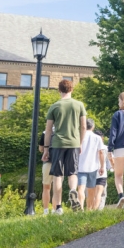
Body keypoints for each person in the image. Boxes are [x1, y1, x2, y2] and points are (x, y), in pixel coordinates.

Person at [42, 79, 88, 213]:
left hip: (57, 144)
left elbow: (49, 129)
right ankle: (73, 190)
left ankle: (58, 207)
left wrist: (46, 149)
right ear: (72, 89)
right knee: (72, 172)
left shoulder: (54, 106)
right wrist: (80, 143)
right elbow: (84, 126)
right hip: (74, 143)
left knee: (57, 175)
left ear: (59, 90)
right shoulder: (79, 105)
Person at [77, 118, 106, 210]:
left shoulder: (79, 137)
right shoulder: (97, 138)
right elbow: (101, 152)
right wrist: (102, 166)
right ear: (92, 127)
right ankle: (89, 210)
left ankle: (80, 208)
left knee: (81, 188)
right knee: (91, 190)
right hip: (93, 167)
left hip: (80, 167)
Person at [37, 130, 52, 215]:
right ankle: (56, 208)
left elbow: (41, 148)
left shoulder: (45, 132)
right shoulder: (62, 130)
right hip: (59, 162)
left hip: (47, 161)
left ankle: (46, 210)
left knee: (46, 187)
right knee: (58, 187)